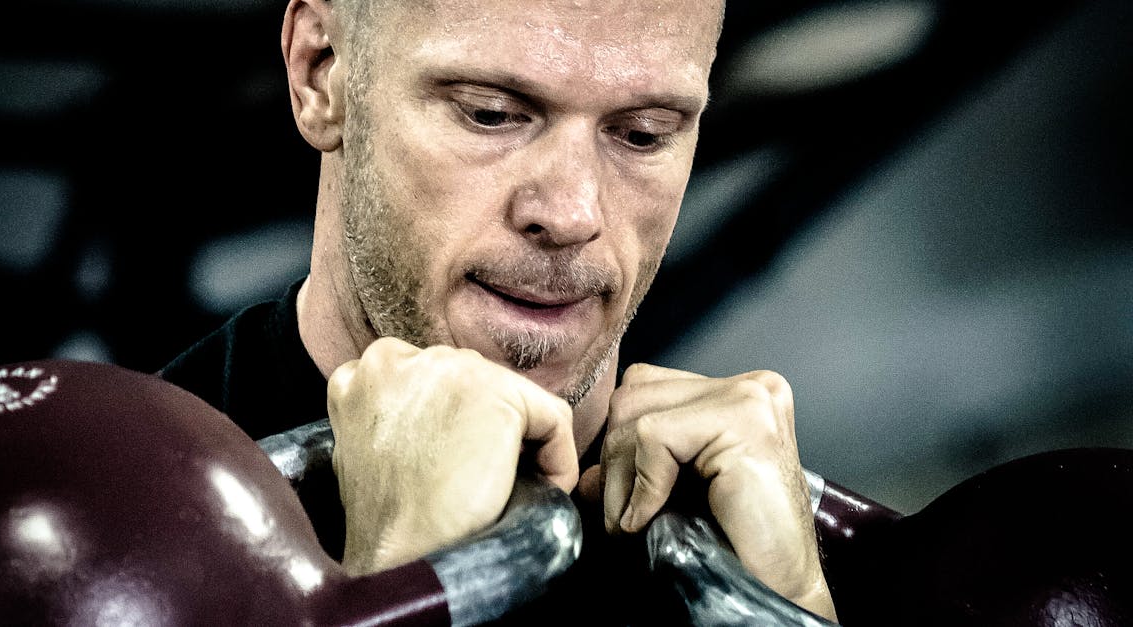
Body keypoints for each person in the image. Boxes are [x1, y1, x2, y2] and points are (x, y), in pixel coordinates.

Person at [160, 0, 838, 623]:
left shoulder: (786, 560)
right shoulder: (128, 508)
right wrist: (403, 582)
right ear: (321, 73)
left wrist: (792, 607)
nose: (571, 214)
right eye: (490, 114)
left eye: (643, 134)